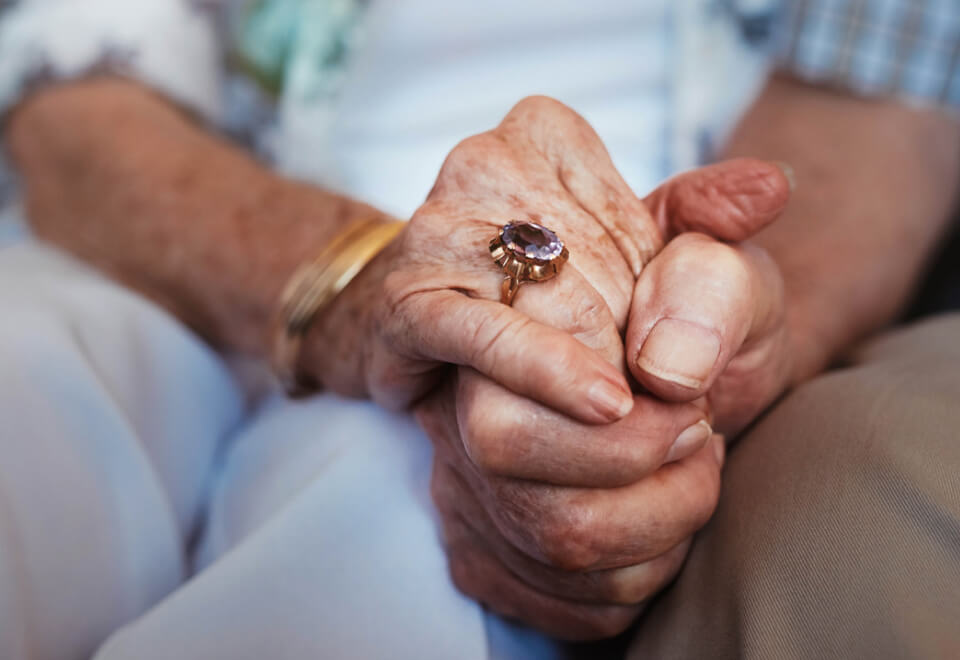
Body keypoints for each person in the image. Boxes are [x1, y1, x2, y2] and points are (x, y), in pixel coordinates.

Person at [0, 1, 958, 659]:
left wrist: (702, 319)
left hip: (618, 285)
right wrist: (364, 285)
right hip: (187, 231)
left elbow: (872, 111)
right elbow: (76, 93)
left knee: (382, 527)